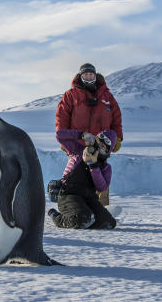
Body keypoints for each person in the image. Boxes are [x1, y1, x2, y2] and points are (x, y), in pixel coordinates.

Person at [55, 62, 123, 205]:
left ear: (95, 75)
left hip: (101, 146)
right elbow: (62, 117)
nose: (88, 76)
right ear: (80, 76)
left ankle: (102, 208)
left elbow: (116, 118)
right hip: (78, 144)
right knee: (77, 174)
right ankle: (72, 205)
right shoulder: (70, 95)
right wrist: (66, 137)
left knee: (100, 177)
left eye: (91, 74)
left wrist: (117, 138)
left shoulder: (107, 96)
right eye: (85, 74)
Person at [48, 129, 117, 229]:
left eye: (103, 146)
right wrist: (82, 135)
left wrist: (93, 166)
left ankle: (87, 215)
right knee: (82, 219)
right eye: (98, 142)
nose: (99, 147)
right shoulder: (77, 150)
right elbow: (59, 135)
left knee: (108, 223)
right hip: (69, 194)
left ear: (107, 151)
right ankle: (56, 216)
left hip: (88, 198)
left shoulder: (106, 167)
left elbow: (101, 187)